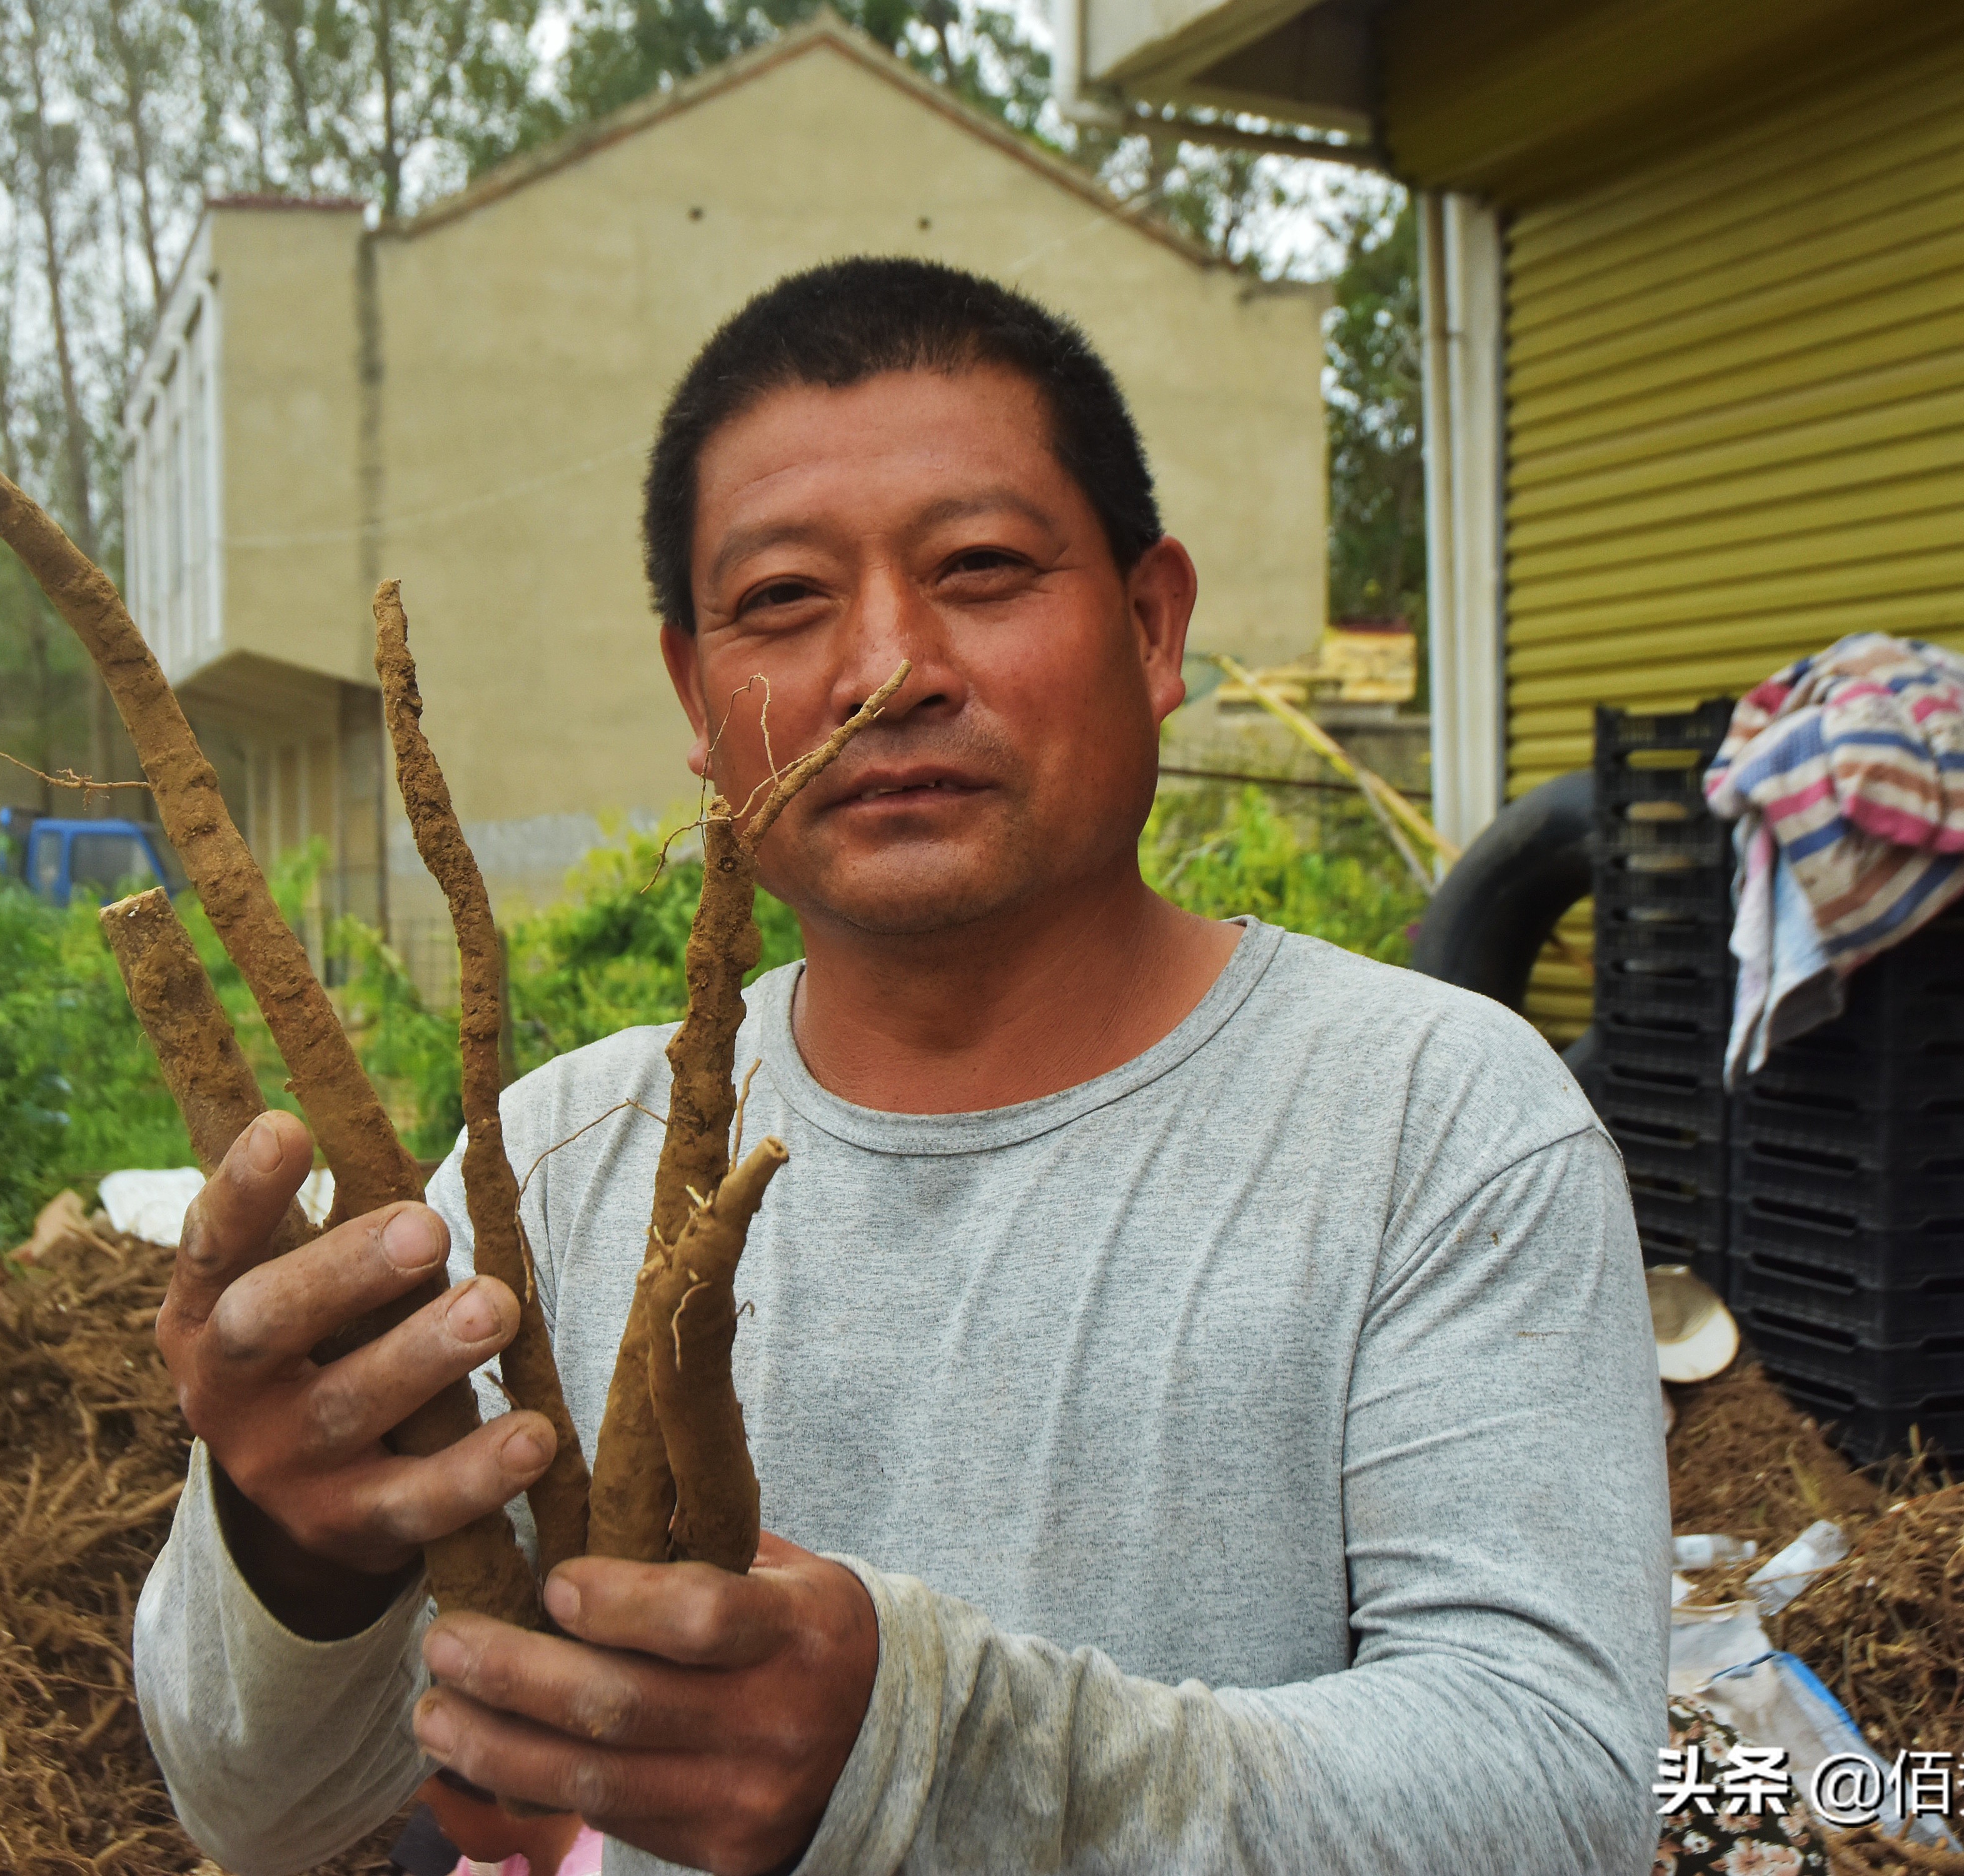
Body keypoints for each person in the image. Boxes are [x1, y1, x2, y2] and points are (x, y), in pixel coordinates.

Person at [133, 256, 1668, 1876]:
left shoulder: (1435, 1122)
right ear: (695, 699)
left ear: (1152, 628)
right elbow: (267, 1810)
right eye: (784, 600)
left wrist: (919, 1756)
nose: (883, 668)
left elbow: (1554, 1793)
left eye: (984, 567)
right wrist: (292, 1546)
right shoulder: (546, 1171)